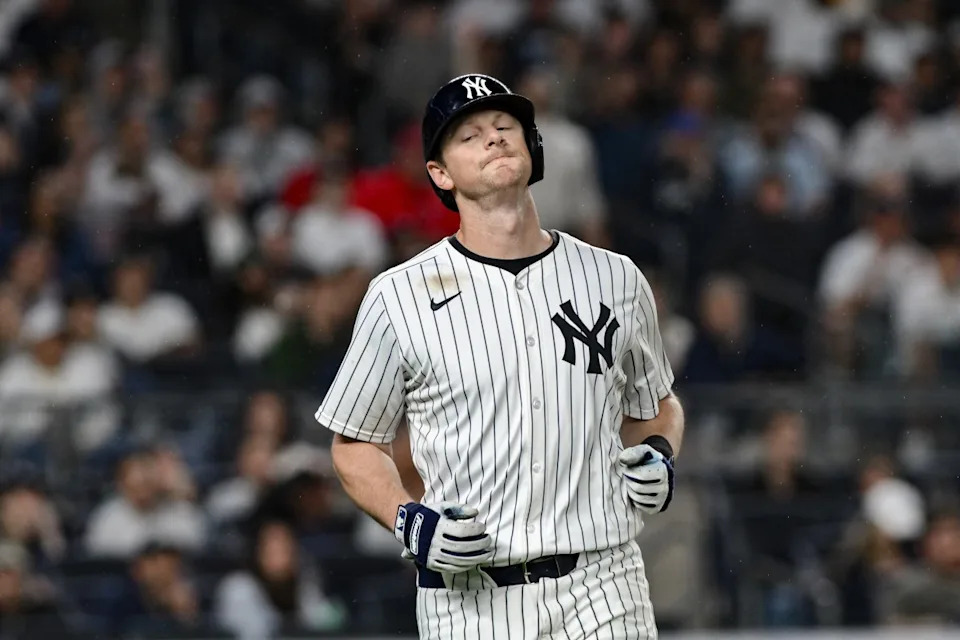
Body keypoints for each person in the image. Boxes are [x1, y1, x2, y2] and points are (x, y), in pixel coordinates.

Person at [316, 74, 683, 638]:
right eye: (468, 135)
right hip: (468, 601)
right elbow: (354, 444)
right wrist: (407, 520)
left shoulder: (616, 277)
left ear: (532, 148)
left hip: (604, 583)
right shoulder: (398, 295)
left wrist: (658, 452)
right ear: (439, 173)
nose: (492, 138)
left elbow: (656, 406)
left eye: (504, 125)